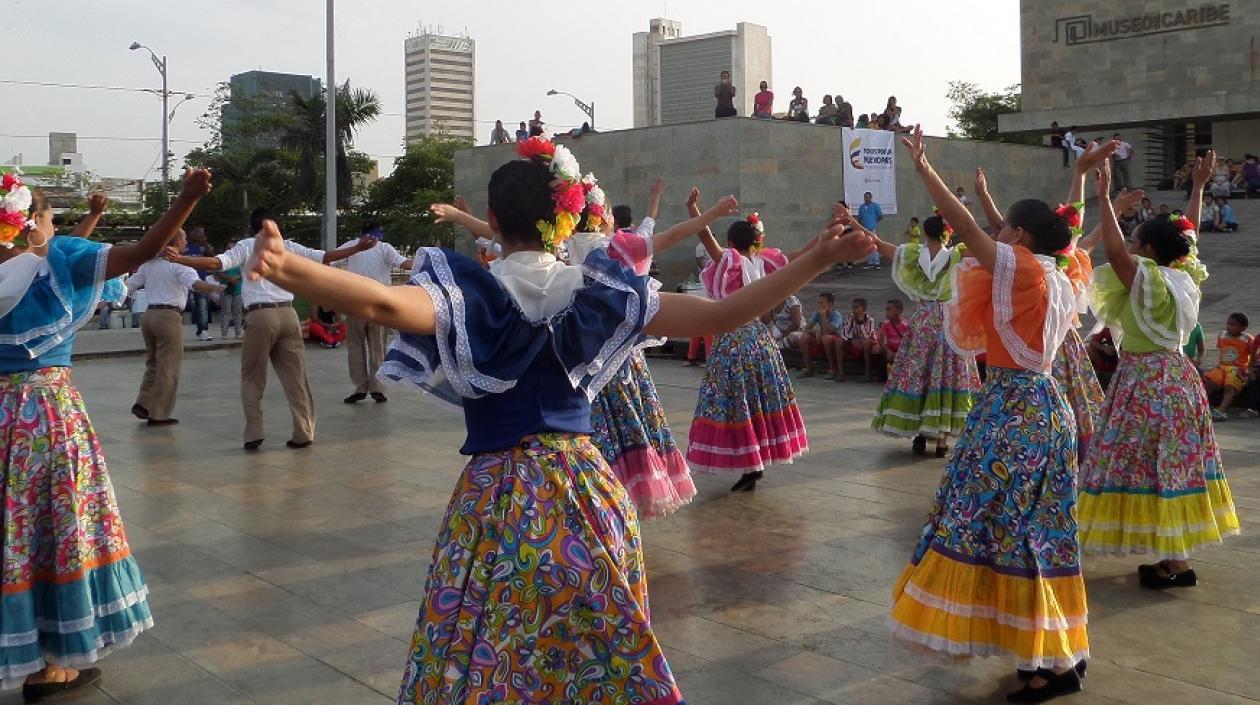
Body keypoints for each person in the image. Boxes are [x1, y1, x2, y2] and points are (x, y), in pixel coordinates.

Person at [243, 136, 874, 705]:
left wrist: (292, 268)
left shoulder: (469, 295)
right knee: (594, 643)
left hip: (495, 498)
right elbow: (722, 314)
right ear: (568, 216)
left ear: (491, 222)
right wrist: (817, 259)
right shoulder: (599, 291)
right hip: (585, 489)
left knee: (485, 642)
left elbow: (382, 301)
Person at [888, 126, 1087, 703]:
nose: (996, 234)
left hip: (1013, 412)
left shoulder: (1024, 269)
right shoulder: (1058, 271)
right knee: (1039, 532)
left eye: (1006, 228)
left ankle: (1045, 667)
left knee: (1008, 533)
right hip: (1043, 409)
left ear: (1020, 237)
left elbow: (973, 234)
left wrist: (925, 171)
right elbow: (992, 231)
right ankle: (1055, 653)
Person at [0, 168, 212, 697]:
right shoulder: (54, 261)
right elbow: (141, 251)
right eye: (50, 218)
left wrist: (87, 220)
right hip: (42, 413)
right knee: (53, 529)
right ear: (31, 225)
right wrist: (185, 199)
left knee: (10, 533)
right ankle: (50, 664)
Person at [1078, 150, 1239, 591]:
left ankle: (1174, 561)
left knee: (1145, 466)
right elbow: (1187, 236)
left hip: (1146, 381)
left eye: (1136, 243)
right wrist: (1199, 188)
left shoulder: (1149, 281)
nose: (1129, 247)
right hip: (1180, 379)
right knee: (1174, 466)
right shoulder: (1183, 276)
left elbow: (1114, 248)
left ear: (1148, 251)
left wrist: (1104, 198)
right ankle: (1176, 561)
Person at [566, 174, 740, 519]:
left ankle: (589, 496)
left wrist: (465, 219)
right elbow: (672, 234)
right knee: (632, 423)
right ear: (603, 217)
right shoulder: (618, 247)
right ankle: (626, 494)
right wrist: (713, 212)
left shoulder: (562, 249)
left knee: (593, 431)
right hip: (621, 359)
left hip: (581, 363)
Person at [168, 208, 369, 450]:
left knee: (252, 376)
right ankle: (304, 431)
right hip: (288, 314)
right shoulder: (288, 246)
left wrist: (181, 259)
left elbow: (217, 262)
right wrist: (356, 248)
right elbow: (325, 256)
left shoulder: (248, 245)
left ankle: (254, 432)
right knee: (297, 378)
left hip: (260, 315)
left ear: (253, 227)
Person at [687, 206, 823, 492]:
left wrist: (694, 209)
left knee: (737, 403)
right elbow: (800, 255)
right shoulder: (764, 263)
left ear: (731, 243)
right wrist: (826, 237)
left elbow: (703, 232)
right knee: (759, 399)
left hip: (733, 340)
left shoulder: (731, 263)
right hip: (760, 340)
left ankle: (751, 463)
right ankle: (755, 462)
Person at [855, 210, 980, 456]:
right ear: (948, 233)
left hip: (923, 319)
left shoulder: (915, 253)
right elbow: (984, 245)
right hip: (947, 321)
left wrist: (852, 222)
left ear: (925, 233)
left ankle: (921, 436)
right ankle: (942, 439)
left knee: (918, 373)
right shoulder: (957, 254)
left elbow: (880, 245)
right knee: (946, 374)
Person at [128, 228, 225, 426]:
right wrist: (217, 288)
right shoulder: (181, 265)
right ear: (177, 242)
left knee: (153, 363)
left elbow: (130, 285)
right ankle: (159, 414)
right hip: (168, 316)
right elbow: (195, 285)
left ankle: (143, 402)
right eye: (184, 240)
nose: (186, 244)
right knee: (169, 367)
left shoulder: (149, 265)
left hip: (149, 315)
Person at [334, 221, 412, 404]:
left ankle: (377, 388)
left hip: (378, 302)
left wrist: (423, 262)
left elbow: (403, 263)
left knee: (377, 346)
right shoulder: (351, 246)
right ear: (363, 236)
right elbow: (332, 258)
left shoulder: (385, 248)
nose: (373, 241)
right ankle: (360, 387)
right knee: (355, 346)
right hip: (355, 301)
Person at [1203, 313, 1253, 419]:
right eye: (1228, 323)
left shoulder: (1247, 339)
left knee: (1230, 386)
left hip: (1238, 368)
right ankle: (1202, 405)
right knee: (1210, 380)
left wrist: (1251, 368)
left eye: (1233, 324)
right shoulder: (1222, 335)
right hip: (1222, 367)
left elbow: (1253, 354)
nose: (1228, 326)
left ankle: (1222, 410)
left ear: (1243, 328)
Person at [797, 292, 844, 378]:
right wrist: (817, 332)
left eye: (822, 303)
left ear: (830, 304)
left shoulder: (836, 315)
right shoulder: (816, 313)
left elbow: (829, 331)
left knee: (826, 338)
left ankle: (832, 368)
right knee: (804, 337)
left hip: (835, 340)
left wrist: (823, 316)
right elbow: (807, 328)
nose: (819, 305)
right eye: (818, 303)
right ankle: (808, 367)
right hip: (821, 337)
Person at [184, 226, 215, 340]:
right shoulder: (184, 245)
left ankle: (203, 330)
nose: (199, 235)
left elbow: (212, 257)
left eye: (202, 233)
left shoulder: (204, 247)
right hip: (184, 280)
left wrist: (205, 243)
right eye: (197, 232)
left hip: (200, 280)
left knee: (202, 306)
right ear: (191, 232)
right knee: (179, 304)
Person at [839, 297, 879, 382]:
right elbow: (845, 332)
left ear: (862, 309)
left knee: (866, 343)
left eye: (855, 307)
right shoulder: (851, 317)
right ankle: (840, 372)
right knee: (839, 341)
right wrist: (850, 339)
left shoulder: (870, 319)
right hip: (855, 340)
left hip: (868, 341)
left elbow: (867, 335)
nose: (853, 310)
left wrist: (860, 323)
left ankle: (868, 373)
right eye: (852, 307)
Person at [216, 238, 245, 339]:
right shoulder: (222, 259)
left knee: (238, 312)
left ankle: (238, 332)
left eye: (233, 248)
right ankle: (224, 333)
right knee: (226, 311)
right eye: (228, 248)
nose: (230, 250)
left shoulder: (240, 260)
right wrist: (229, 278)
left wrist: (237, 278)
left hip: (238, 289)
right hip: (226, 289)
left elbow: (244, 272)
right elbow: (218, 272)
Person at [878, 299, 909, 364]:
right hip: (890, 350)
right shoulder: (886, 324)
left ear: (899, 311)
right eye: (886, 310)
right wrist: (888, 350)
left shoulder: (906, 325)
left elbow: (909, 342)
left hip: (902, 350)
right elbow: (881, 340)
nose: (886, 313)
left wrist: (899, 353)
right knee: (878, 351)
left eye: (889, 310)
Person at [858, 191, 883, 269]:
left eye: (868, 197)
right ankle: (870, 263)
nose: (866, 198)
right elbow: (859, 218)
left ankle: (876, 263)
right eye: (865, 197)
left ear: (871, 197)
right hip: (864, 229)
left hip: (872, 229)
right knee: (867, 246)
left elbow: (880, 216)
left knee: (874, 245)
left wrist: (873, 222)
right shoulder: (861, 207)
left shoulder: (875, 206)